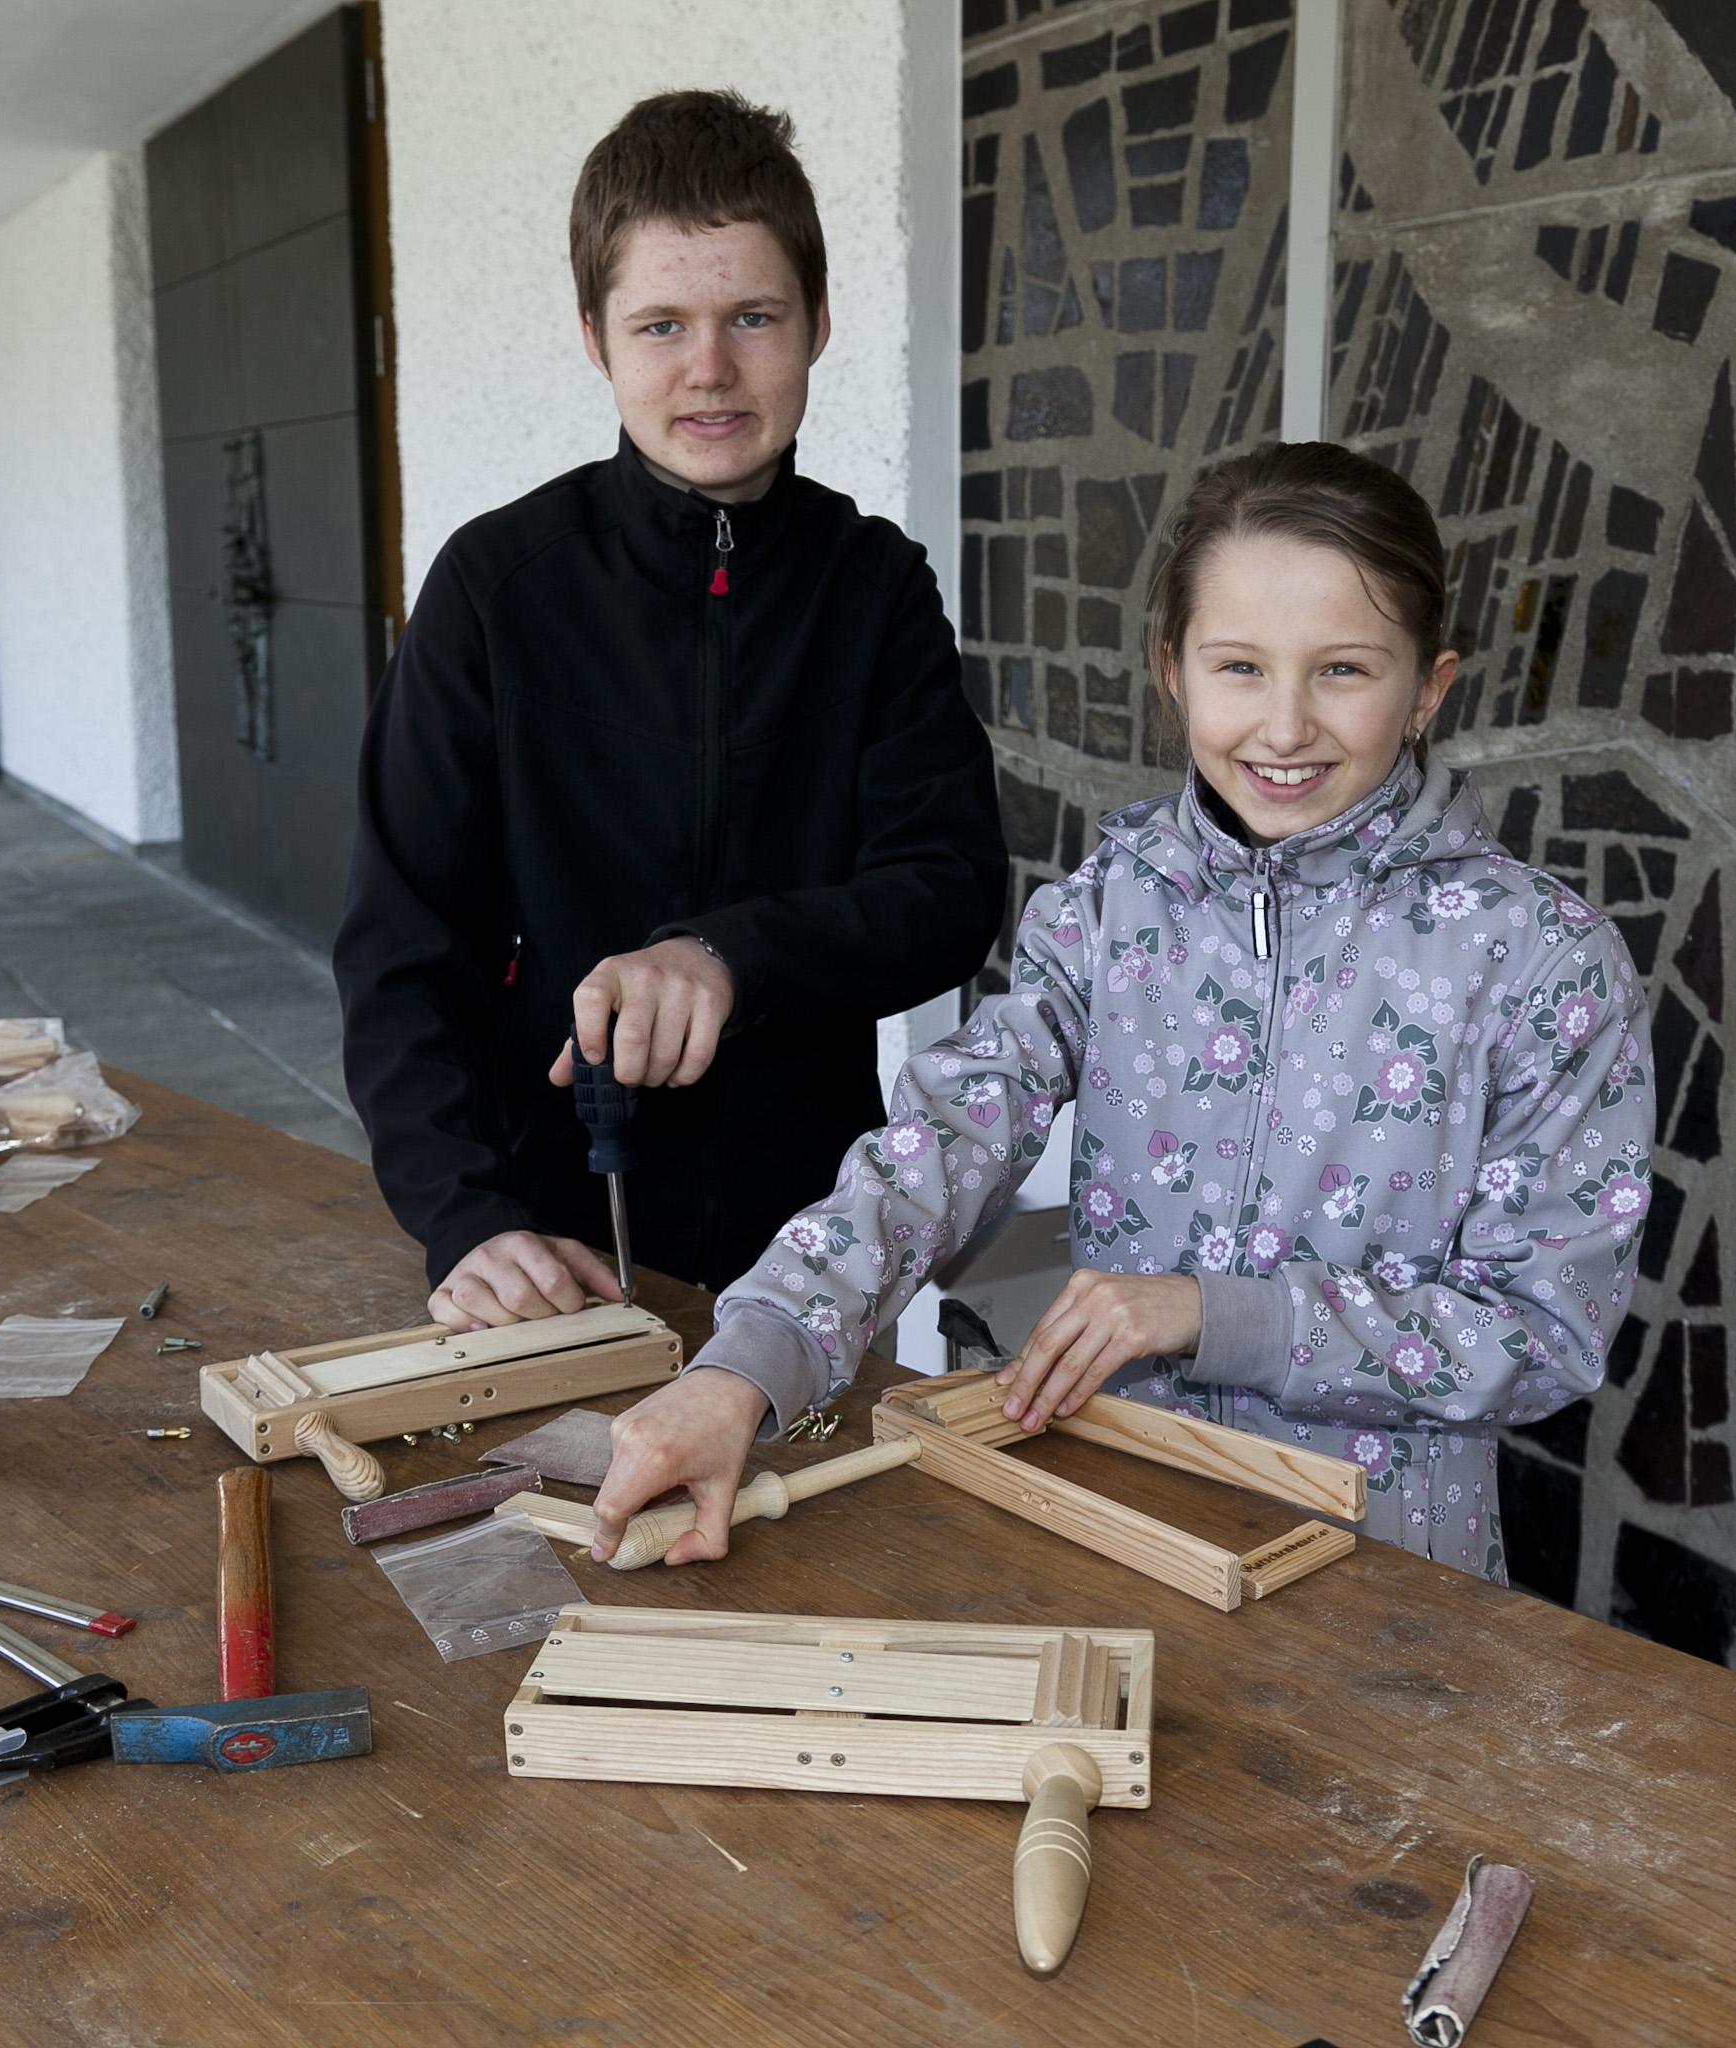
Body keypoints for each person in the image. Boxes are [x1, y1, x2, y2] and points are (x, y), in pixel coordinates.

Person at [592, 442, 1657, 1582]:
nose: (1284, 726)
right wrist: (747, 1366)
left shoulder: (1543, 962)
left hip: (1386, 1578)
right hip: (1121, 1533)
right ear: (1173, 671)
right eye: (1239, 666)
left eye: (1344, 670)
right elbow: (941, 1143)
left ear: (1429, 688)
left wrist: (1212, 1313)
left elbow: (1545, 1330)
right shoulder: (1110, 908)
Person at [337, 91, 1007, 1336]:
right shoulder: (494, 587)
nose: (710, 369)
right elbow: (399, 948)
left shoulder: (876, 587)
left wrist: (725, 956)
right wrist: (465, 1216)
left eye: (754, 316)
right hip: (546, 1228)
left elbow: (949, 891)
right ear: (596, 337)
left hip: (808, 1236)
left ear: (817, 323)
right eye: (662, 324)